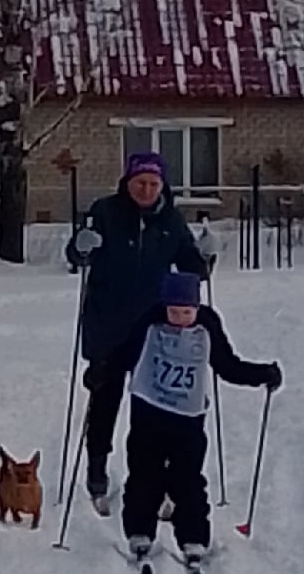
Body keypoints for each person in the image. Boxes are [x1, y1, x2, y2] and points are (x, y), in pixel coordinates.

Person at [84, 270, 281, 567]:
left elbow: (227, 366)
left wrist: (261, 374)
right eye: (173, 311)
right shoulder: (150, 322)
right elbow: (125, 355)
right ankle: (139, 532)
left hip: (188, 418)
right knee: (143, 474)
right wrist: (101, 371)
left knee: (187, 479)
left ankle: (194, 538)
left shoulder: (207, 326)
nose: (180, 318)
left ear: (197, 307)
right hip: (148, 409)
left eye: (186, 311)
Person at [67, 152, 213, 503]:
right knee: (104, 401)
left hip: (156, 332)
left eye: (153, 184)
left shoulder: (171, 220)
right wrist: (81, 248)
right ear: (127, 182)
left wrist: (205, 256)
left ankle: (158, 478)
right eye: (140, 183)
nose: (146, 190)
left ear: (162, 186)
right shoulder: (104, 212)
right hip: (108, 325)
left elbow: (193, 269)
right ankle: (97, 467)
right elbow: (76, 255)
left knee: (157, 406)